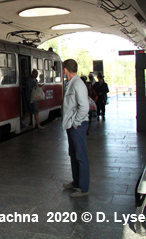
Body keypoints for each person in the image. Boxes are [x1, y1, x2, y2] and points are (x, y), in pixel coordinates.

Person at [61, 59, 90, 198]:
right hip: (71, 125)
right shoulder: (71, 83)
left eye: (62, 69)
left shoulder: (78, 84)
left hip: (77, 126)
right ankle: (76, 182)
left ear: (65, 69)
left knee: (80, 156)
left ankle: (83, 188)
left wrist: (76, 122)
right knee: (73, 154)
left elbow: (84, 107)